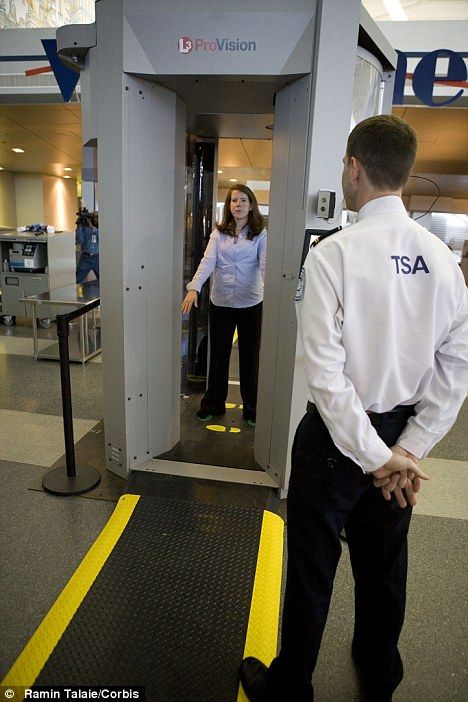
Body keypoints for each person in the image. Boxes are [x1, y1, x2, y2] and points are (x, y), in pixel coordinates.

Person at [239, 115, 468, 701]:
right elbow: (455, 370)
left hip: (338, 442)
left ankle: (292, 687)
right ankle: (379, 675)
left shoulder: (333, 256)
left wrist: (375, 456)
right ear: (406, 172)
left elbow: (326, 375)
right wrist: (405, 451)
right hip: (399, 438)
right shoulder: (443, 261)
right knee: (385, 566)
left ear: (354, 168)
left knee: (313, 570)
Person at [182, 184, 267, 425]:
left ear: (251, 205)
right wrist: (193, 288)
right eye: (233, 201)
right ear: (228, 206)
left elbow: (265, 266)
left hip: (251, 303)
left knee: (250, 358)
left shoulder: (260, 233)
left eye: (242, 200)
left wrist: (274, 295)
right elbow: (207, 262)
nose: (237, 205)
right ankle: (213, 404)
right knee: (218, 355)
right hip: (221, 303)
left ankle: (252, 409)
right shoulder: (219, 233)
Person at [75, 209, 99, 283]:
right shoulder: (85, 228)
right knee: (77, 279)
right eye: (93, 218)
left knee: (104, 280)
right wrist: (79, 227)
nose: (95, 220)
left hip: (98, 257)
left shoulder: (101, 228)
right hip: (86, 258)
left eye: (96, 218)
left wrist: (93, 227)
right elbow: (80, 241)